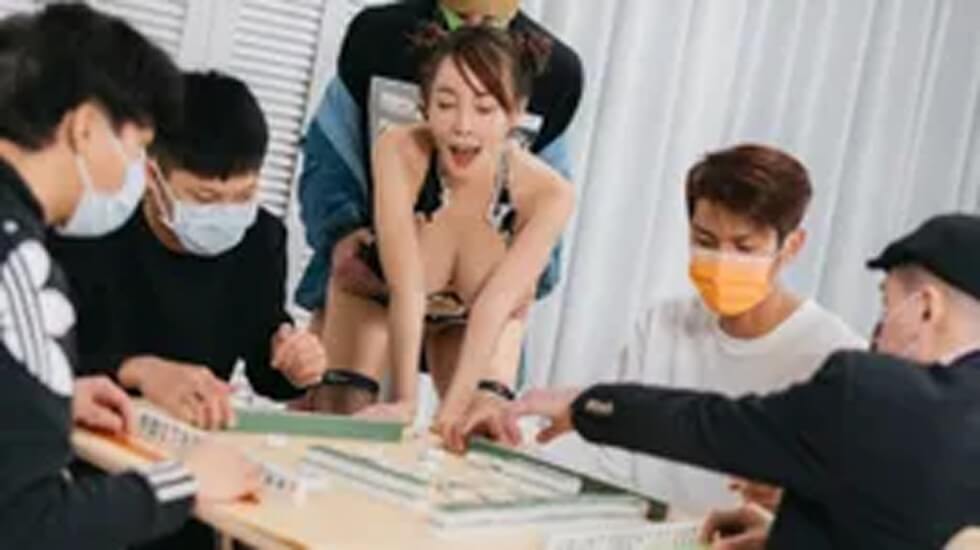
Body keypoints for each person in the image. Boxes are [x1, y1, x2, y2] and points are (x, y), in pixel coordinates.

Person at [500, 213, 980, 548]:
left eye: (885, 303)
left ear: (925, 307)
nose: (878, 329)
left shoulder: (872, 394)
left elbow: (710, 426)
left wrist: (586, 405)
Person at [452, 144, 863, 515]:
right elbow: (609, 458)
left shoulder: (835, 359)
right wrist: (511, 439)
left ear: (791, 246)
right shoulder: (663, 326)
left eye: (744, 247)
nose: (722, 261)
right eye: (705, 241)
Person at [0, 5, 258, 548]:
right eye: (138, 149)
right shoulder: (17, 262)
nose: (134, 176)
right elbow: (29, 526)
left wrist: (47, 400)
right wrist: (184, 483)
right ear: (85, 129)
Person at [294, 0, 583, 408]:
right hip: (376, 269)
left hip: (481, 282)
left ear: (516, 112)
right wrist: (341, 231)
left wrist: (529, 272)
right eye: (446, 104)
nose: (464, 125)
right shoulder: (377, 36)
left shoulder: (559, 72)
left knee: (483, 418)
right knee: (339, 407)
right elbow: (331, 151)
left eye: (485, 108)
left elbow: (549, 198)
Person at [50, 71, 328, 431]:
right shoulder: (90, 227)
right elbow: (34, 358)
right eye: (205, 198)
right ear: (152, 176)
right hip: (79, 427)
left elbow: (265, 366)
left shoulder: (261, 238)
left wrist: (293, 363)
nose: (226, 212)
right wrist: (139, 371)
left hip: (185, 435)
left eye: (244, 195)